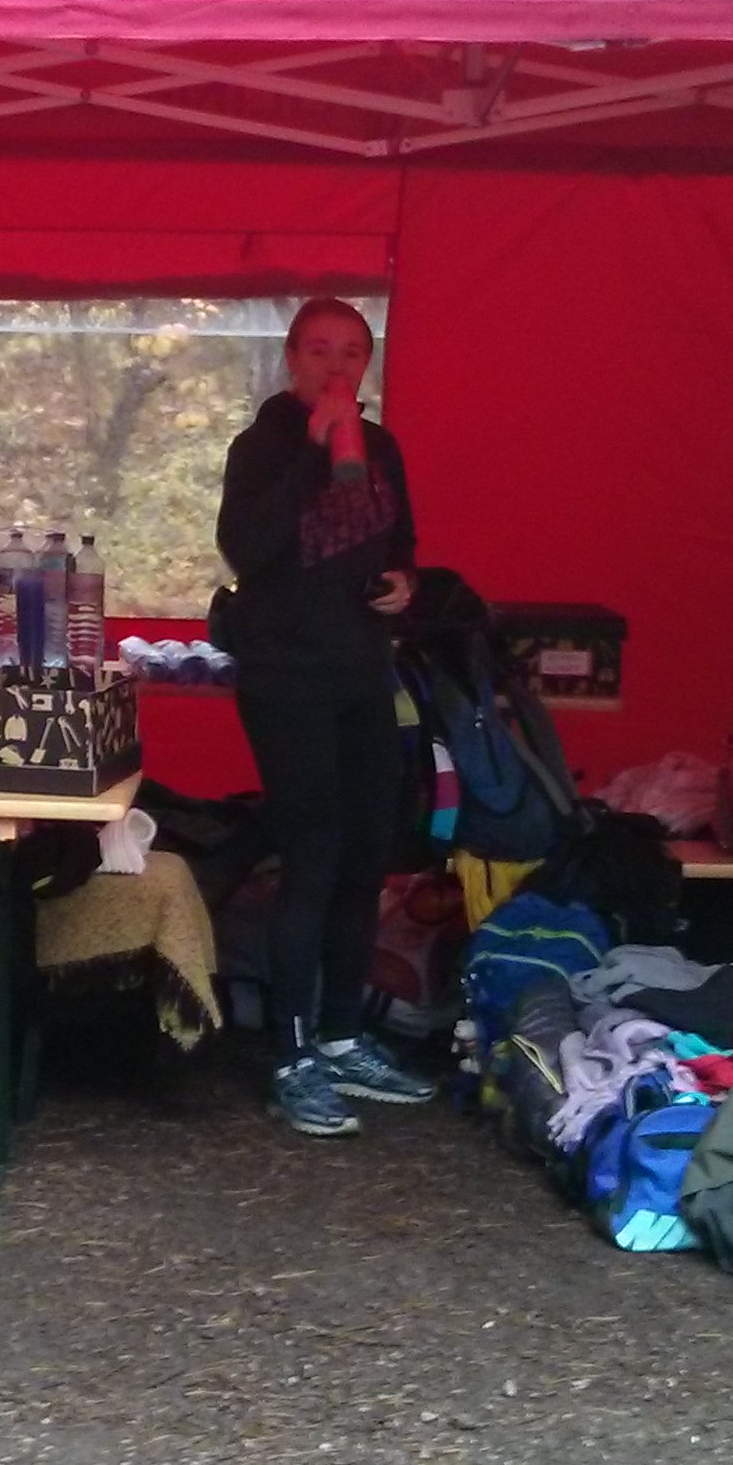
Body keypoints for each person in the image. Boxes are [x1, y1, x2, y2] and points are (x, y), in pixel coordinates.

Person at [216, 298, 437, 1137]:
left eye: (351, 352)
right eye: (319, 350)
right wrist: (314, 452)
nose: (336, 367)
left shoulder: (383, 448)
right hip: (286, 680)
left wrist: (405, 583)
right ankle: (293, 1053)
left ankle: (344, 1035)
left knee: (363, 858)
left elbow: (402, 543)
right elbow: (246, 548)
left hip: (363, 675)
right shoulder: (263, 445)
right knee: (310, 858)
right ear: (291, 359)